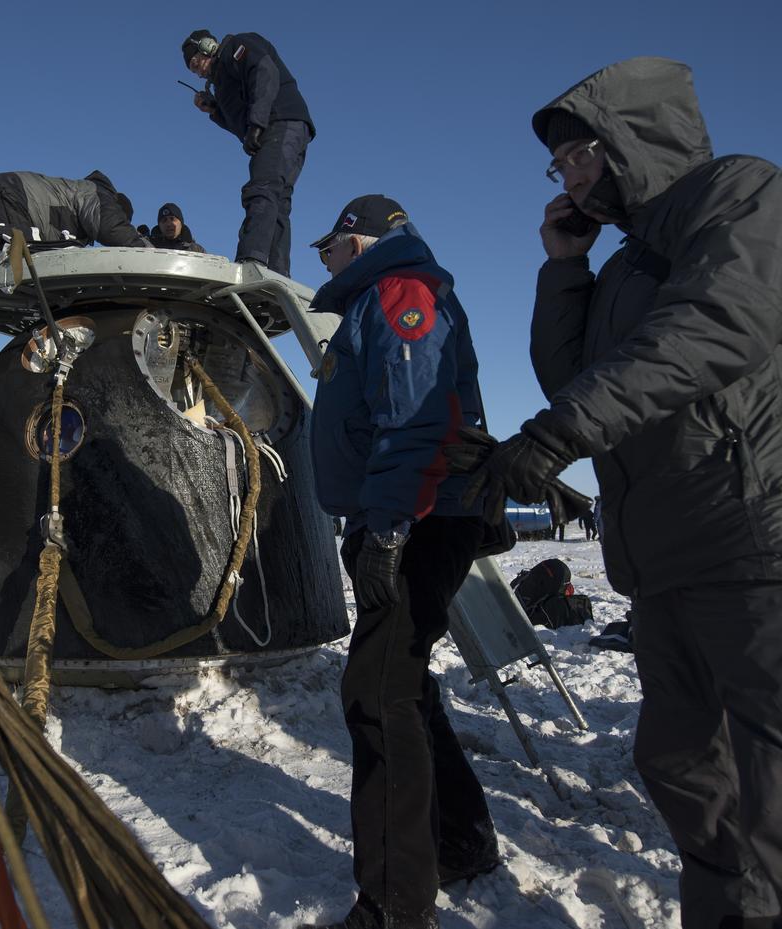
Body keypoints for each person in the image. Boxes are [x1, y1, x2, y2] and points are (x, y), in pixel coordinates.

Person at [455, 57, 782, 926]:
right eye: (558, 168)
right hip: (665, 559)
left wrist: (558, 433)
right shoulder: (626, 266)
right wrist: (565, 267)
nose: (568, 178)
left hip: (753, 540)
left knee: (774, 785)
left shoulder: (739, 193)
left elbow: (717, 322)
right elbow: (574, 374)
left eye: (578, 158)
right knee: (679, 764)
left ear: (631, 140)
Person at [301, 195, 499, 929]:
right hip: (407, 516)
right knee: (404, 686)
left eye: (331, 247)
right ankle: (461, 837)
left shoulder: (400, 292)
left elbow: (416, 420)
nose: (322, 260)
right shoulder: (376, 300)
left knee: (378, 696)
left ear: (364, 241)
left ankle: (394, 904)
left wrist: (387, 529)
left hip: (414, 519)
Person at [182, 29, 314, 276]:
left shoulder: (237, 47)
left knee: (261, 190)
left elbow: (265, 73)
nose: (197, 70)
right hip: (287, 126)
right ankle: (276, 273)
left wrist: (258, 123)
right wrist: (214, 111)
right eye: (192, 69)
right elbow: (238, 123)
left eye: (195, 62)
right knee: (278, 200)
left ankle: (250, 261)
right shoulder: (222, 83)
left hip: (280, 120)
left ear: (208, 47)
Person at [0, 170, 151, 251]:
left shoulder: (79, 205)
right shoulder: (98, 194)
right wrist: (147, 252)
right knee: (31, 263)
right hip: (7, 197)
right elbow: (112, 228)